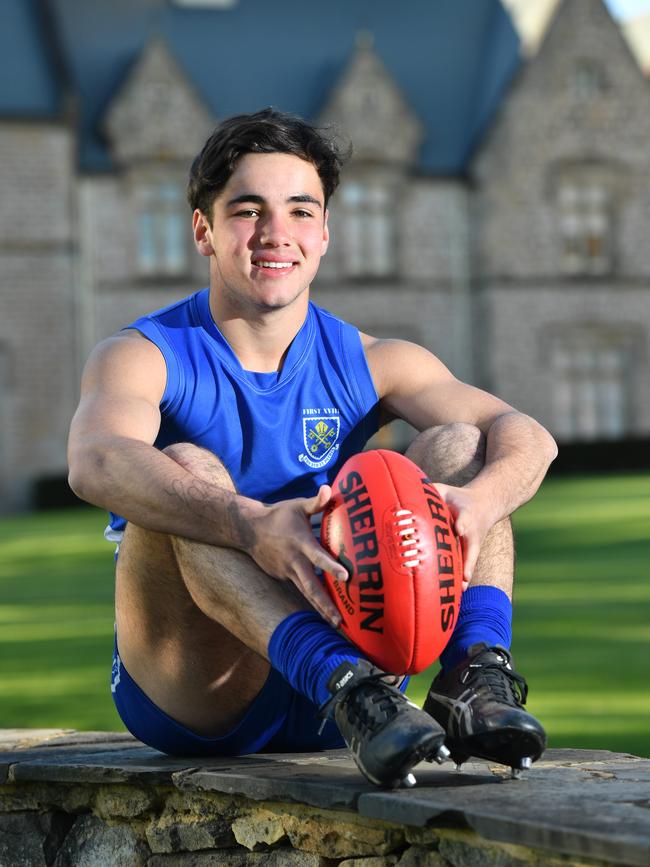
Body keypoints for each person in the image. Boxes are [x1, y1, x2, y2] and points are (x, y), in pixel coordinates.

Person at [68, 108, 557, 788]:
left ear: (324, 233)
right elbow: (94, 459)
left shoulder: (372, 358)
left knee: (464, 443)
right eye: (247, 211)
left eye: (300, 211)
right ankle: (334, 673)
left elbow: (526, 434)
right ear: (203, 230)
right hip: (200, 686)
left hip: (371, 693)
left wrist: (477, 504)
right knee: (188, 465)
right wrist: (249, 522)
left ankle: (473, 677)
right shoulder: (144, 352)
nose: (276, 234)